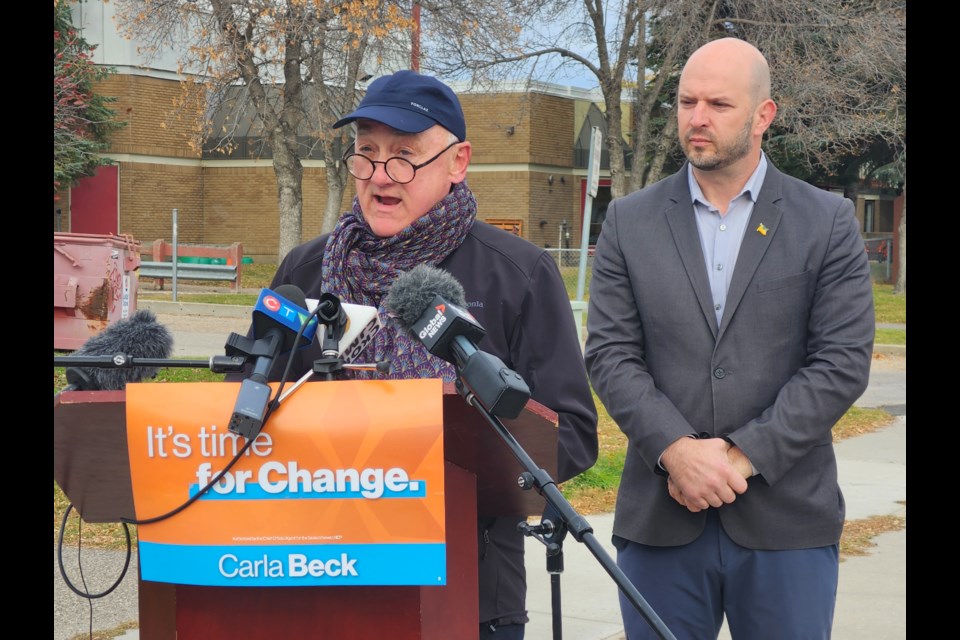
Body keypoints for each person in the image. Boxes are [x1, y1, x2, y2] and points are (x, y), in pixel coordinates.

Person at [265, 70, 598, 638]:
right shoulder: (306, 270)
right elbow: (249, 411)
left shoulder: (519, 274)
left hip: (469, 589)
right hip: (321, 576)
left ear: (457, 161)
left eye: (404, 156)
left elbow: (571, 434)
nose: (379, 176)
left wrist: (448, 454)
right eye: (366, 153)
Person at [584, 38, 874, 639]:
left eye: (718, 104)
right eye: (688, 101)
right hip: (662, 520)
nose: (696, 117)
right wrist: (677, 452)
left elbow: (840, 363)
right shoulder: (629, 221)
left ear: (763, 115)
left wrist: (738, 458)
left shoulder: (825, 221)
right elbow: (611, 355)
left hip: (786, 524)